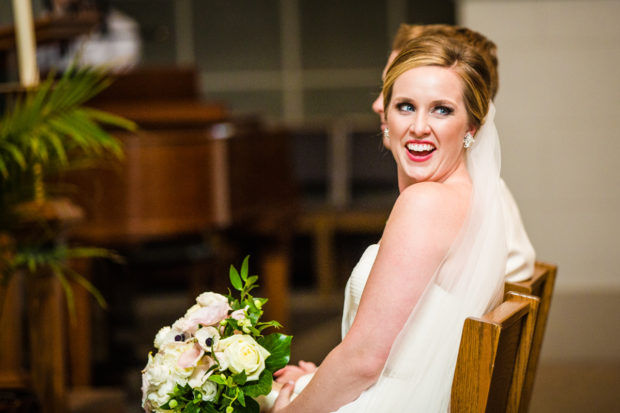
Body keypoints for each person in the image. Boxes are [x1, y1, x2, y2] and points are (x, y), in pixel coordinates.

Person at [274, 24, 536, 394]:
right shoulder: (470, 196)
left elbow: (364, 362)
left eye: (441, 110)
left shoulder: (425, 203)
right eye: (405, 106)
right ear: (386, 119)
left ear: (472, 128)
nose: (418, 127)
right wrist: (316, 380)